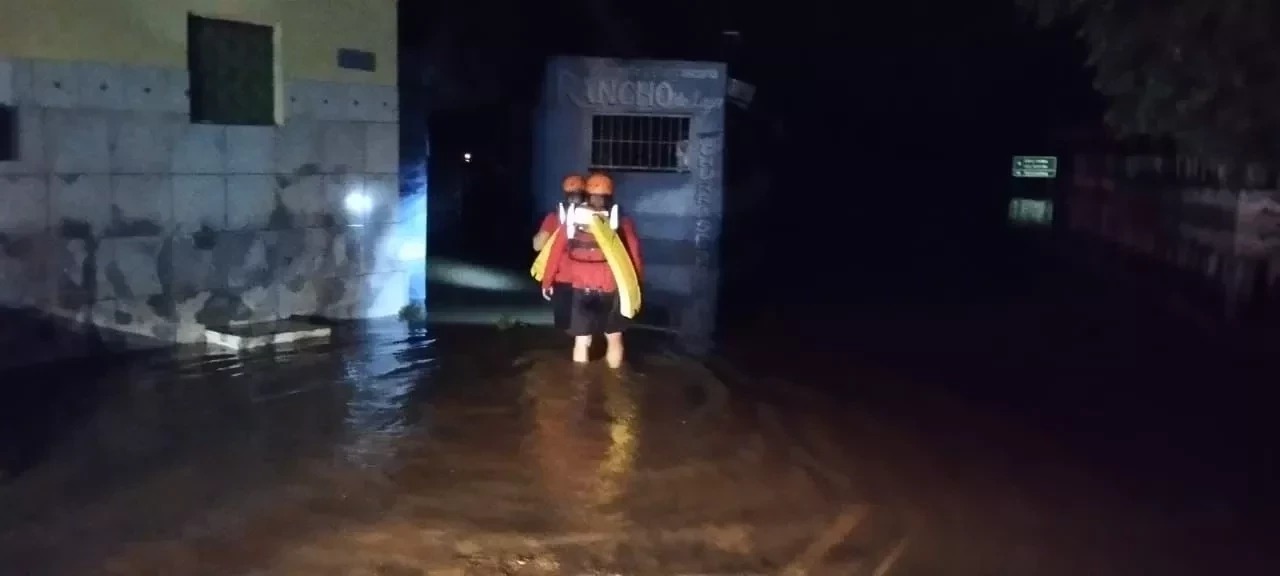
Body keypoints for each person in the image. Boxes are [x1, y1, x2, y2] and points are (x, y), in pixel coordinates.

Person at [540, 173, 643, 368]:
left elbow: (555, 252)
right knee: (614, 338)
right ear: (611, 195)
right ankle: (615, 384)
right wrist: (636, 285)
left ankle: (579, 387)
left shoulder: (572, 220)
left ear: (586, 194)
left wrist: (547, 281)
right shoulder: (621, 221)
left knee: (582, 341)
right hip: (611, 289)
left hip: (581, 289)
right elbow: (634, 253)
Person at [532, 174, 585, 330]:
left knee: (565, 326)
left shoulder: (555, 217)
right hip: (590, 280)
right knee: (588, 326)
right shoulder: (596, 217)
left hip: (562, 279)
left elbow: (538, 246)